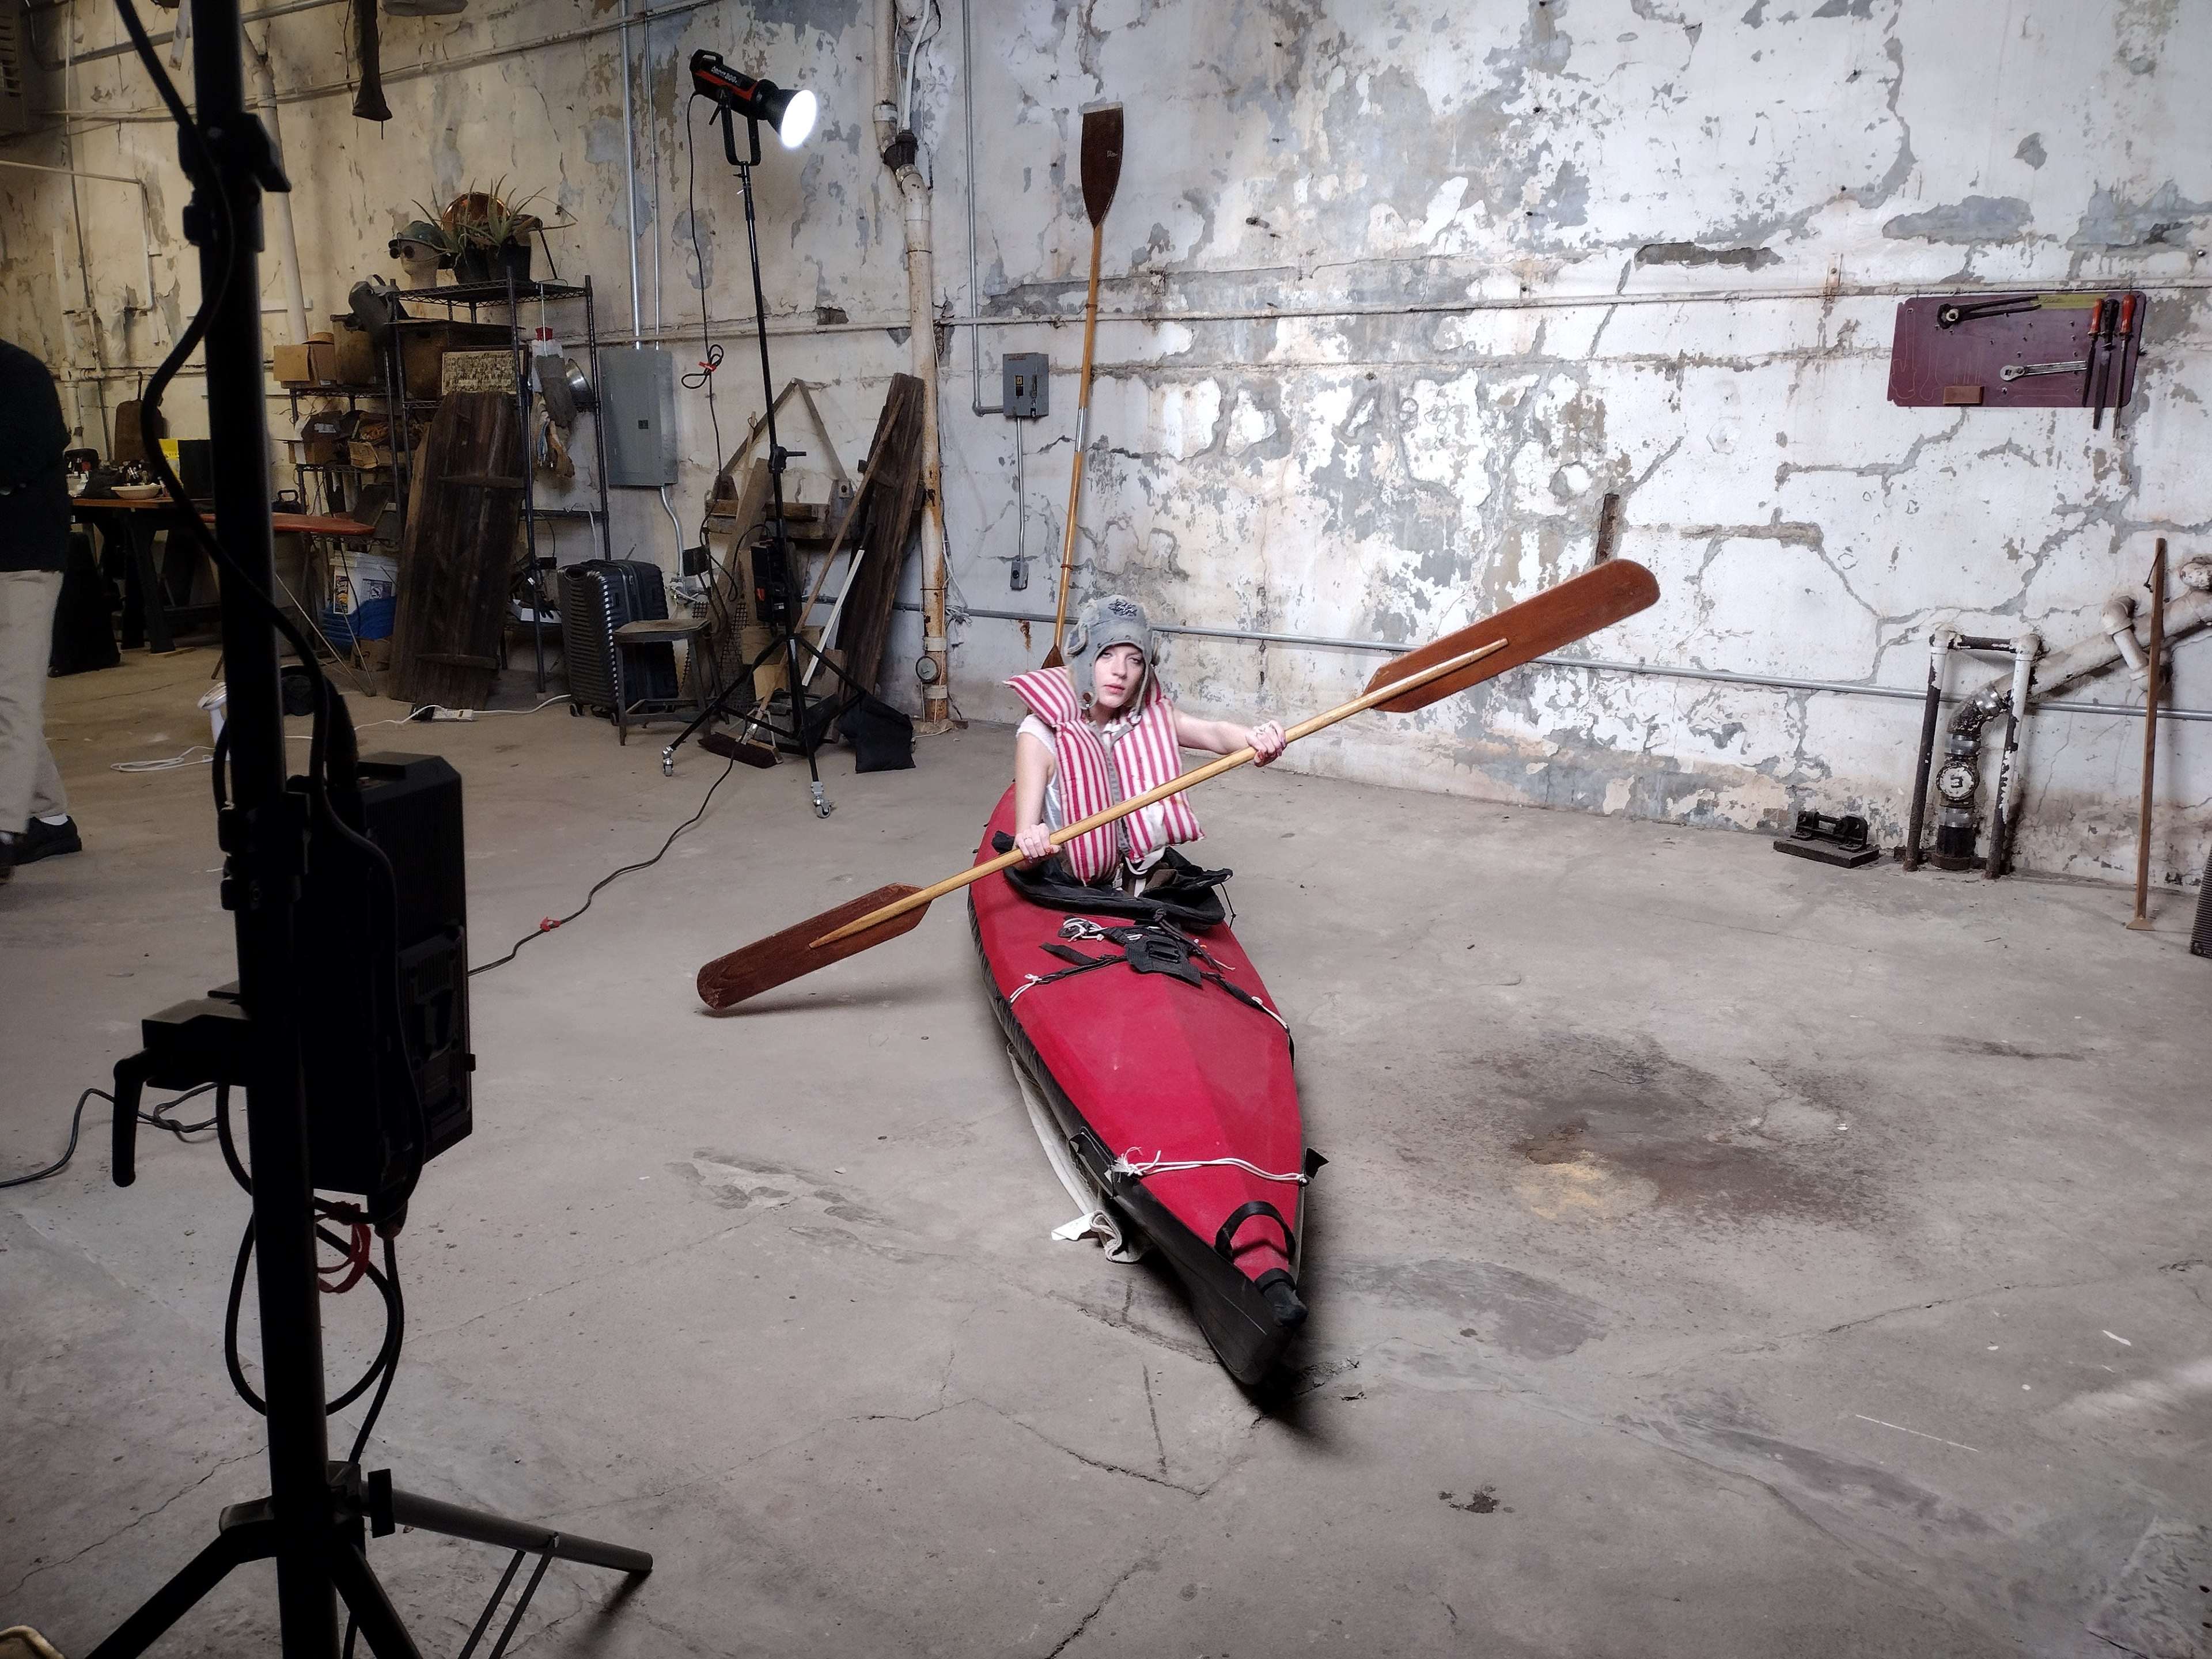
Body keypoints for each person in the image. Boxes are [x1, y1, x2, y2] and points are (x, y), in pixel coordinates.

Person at [1006, 594, 1284, 891]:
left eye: (1135, 660)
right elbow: (1020, 860)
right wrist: (1032, 848)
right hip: (1075, 876)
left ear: (1144, 671)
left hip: (1140, 873)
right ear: (1085, 659)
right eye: (1106, 655)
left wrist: (1254, 739)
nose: (1121, 671)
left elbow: (1213, 732)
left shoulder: (1143, 718)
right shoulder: (1038, 736)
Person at [0, 337, 84, 882]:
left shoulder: (19, 373)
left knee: (13, 691)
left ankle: (3, 828)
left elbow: (31, 452)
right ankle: (49, 817)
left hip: (24, 556)